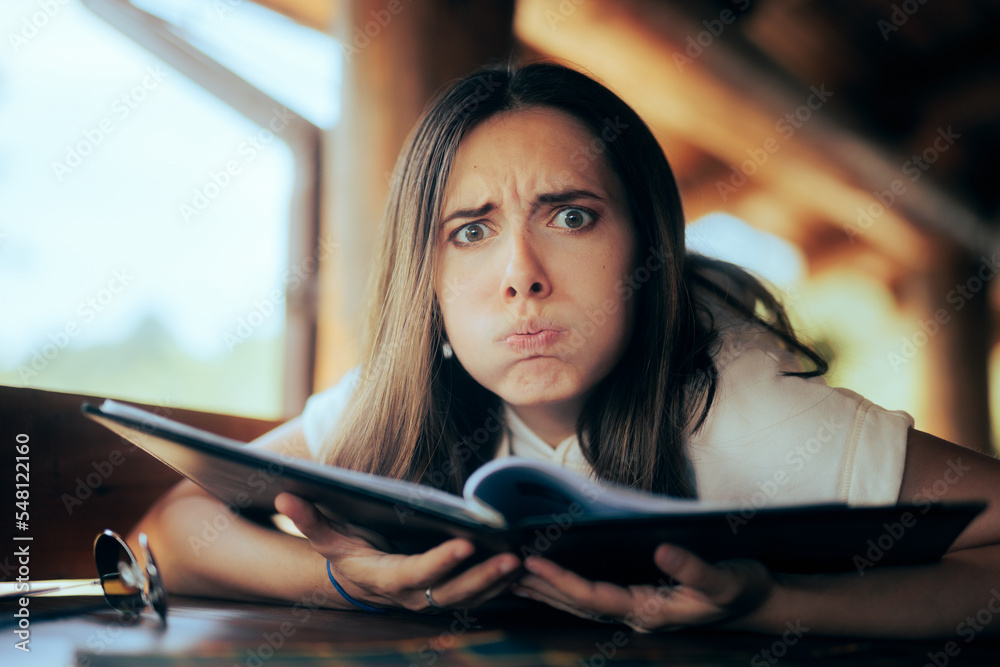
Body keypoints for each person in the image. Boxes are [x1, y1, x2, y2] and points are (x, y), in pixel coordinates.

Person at [130, 62, 1000, 637]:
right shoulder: (406, 393)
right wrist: (350, 579)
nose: (521, 275)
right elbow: (171, 530)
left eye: (572, 215)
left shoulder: (738, 400)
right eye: (470, 231)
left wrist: (774, 605)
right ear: (425, 284)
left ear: (646, 252)